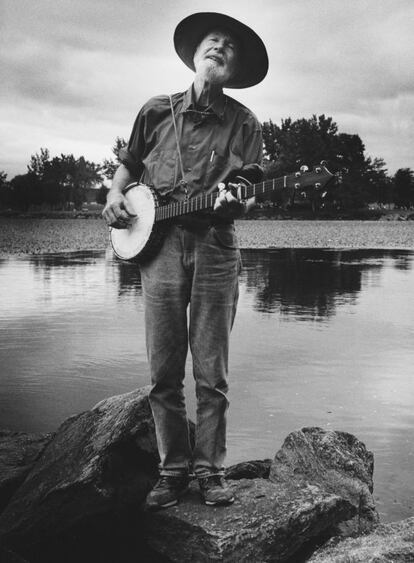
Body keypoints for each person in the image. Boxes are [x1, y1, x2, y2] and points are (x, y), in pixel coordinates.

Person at [103, 12, 268, 509]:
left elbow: (251, 189)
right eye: (212, 41)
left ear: (235, 68)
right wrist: (113, 193)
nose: (220, 48)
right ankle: (172, 470)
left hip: (216, 248)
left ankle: (210, 471)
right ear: (196, 54)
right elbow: (128, 165)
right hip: (157, 250)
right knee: (163, 369)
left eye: (230, 47)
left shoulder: (245, 123)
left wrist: (237, 201)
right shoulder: (155, 110)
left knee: (211, 371)